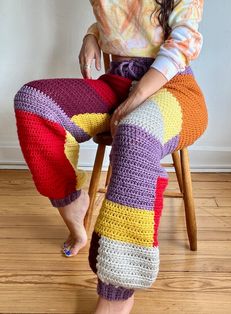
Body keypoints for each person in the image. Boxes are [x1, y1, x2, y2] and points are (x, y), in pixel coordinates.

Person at [13, 0, 208, 313]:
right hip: (116, 84)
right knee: (34, 102)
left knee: (135, 133)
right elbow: (129, 21)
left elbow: (184, 38)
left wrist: (139, 97)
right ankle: (71, 203)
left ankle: (116, 297)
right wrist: (91, 35)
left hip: (174, 88)